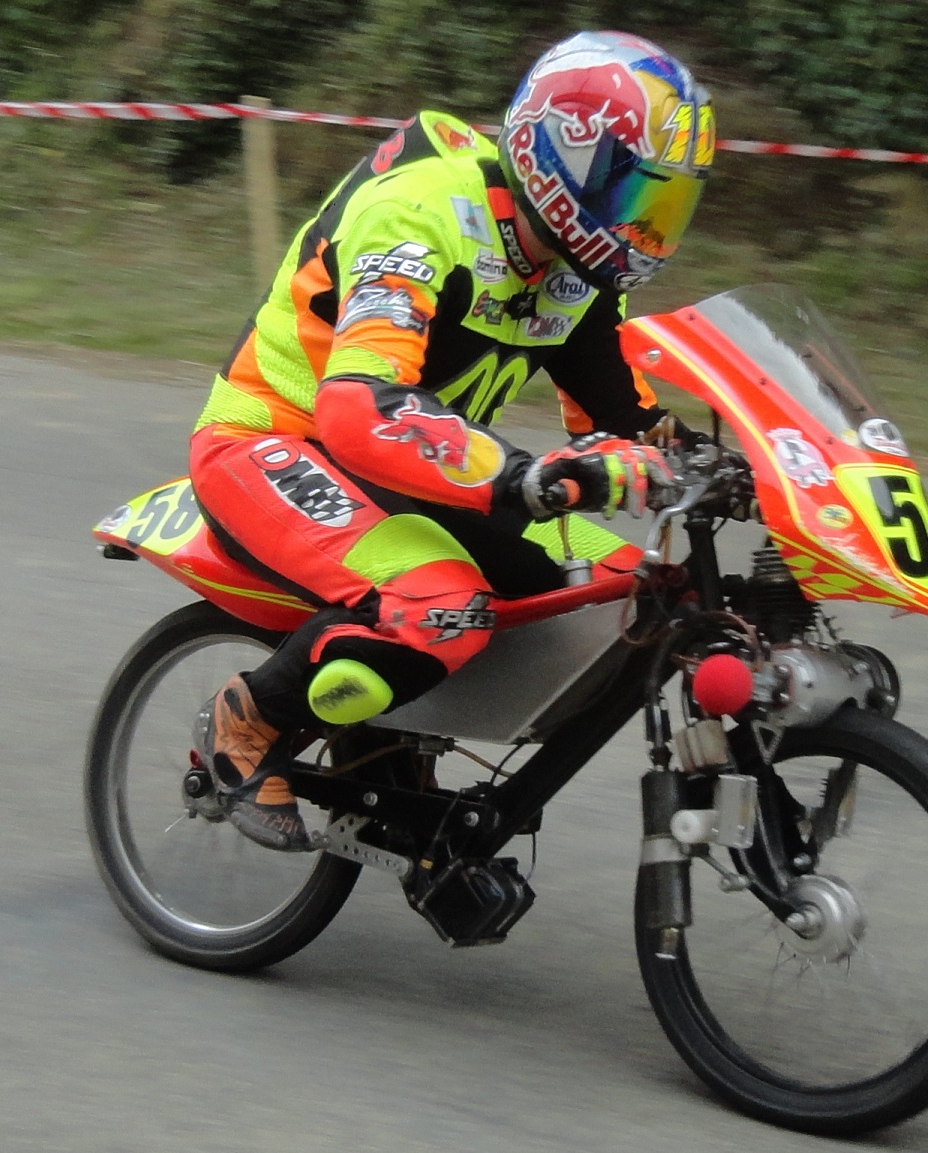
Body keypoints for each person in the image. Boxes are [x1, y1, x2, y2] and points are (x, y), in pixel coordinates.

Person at [188, 31, 715, 849]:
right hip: (275, 441)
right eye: (637, 197)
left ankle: (403, 745)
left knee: (622, 591)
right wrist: (523, 476)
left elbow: (622, 417)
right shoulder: (422, 215)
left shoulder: (575, 269)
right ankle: (250, 716)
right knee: (443, 607)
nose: (646, 230)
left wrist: (738, 465)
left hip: (409, 471)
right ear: (563, 159)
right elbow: (360, 406)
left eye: (666, 208)